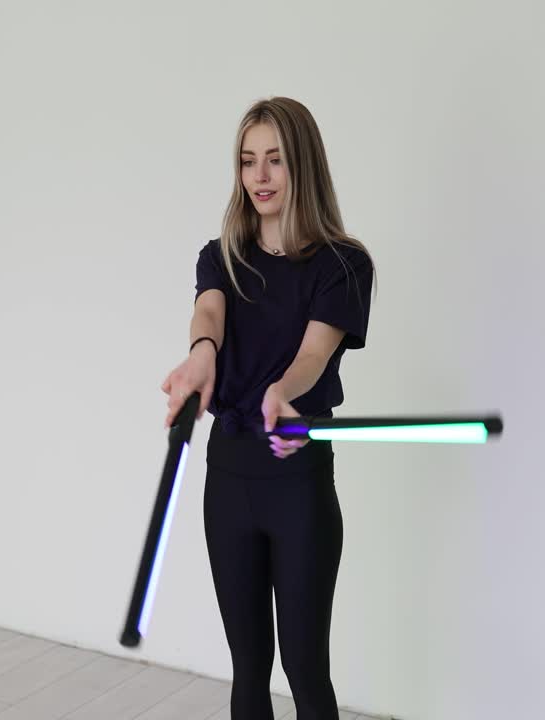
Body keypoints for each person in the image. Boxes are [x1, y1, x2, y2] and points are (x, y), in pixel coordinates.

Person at [161, 96, 375, 720]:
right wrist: (201, 354)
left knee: (305, 668)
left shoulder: (342, 264)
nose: (259, 176)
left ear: (301, 165)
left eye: (275, 160)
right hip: (228, 477)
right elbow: (209, 314)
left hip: (297, 481)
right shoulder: (222, 254)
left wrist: (284, 391)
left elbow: (313, 353)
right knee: (248, 668)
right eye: (248, 161)